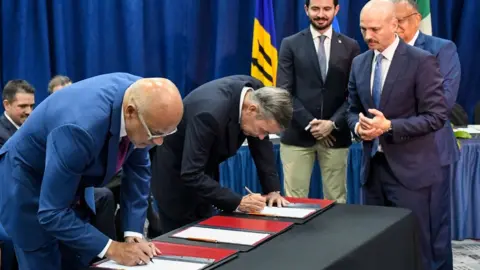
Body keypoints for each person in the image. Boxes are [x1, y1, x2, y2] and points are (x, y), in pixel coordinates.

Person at [0, 72, 183, 269]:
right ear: (130, 112)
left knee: (77, 259)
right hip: (27, 185)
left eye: (166, 133)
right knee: (44, 260)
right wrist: (114, 248)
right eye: (154, 134)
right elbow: (52, 212)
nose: (158, 142)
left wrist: (133, 234)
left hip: (73, 177)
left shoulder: (144, 100)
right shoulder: (80, 128)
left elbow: (138, 169)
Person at [346, 1, 447, 269]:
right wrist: (358, 127)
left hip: (412, 173)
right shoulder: (359, 63)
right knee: (380, 248)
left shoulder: (421, 61)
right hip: (373, 171)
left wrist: (389, 126)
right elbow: (352, 110)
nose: (368, 36)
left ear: (395, 25)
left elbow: (436, 117)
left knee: (416, 248)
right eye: (363, 28)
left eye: (375, 29)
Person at [150, 75, 293, 234]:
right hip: (176, 180)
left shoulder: (257, 93)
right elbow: (191, 173)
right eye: (263, 131)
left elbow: (261, 145)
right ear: (251, 109)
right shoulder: (209, 113)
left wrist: (272, 190)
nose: (261, 136)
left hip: (204, 172)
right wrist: (238, 201)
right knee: (186, 243)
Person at [392, 1, 461, 268]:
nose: (395, 27)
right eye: (391, 22)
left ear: (417, 18)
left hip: (431, 153)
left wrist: (395, 118)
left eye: (400, 21)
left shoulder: (441, 49)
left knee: (435, 230)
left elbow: (443, 103)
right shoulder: (382, 50)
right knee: (401, 229)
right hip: (392, 153)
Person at [277, 0, 360, 202]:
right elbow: (284, 92)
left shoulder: (351, 46)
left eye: (326, 9)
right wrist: (312, 125)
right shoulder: (290, 44)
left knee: (336, 200)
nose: (321, 14)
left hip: (336, 136)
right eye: (315, 9)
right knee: (294, 202)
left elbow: (355, 94)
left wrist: (331, 124)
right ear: (306, 10)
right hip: (297, 135)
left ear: (336, 10)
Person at [47, 74, 119, 242]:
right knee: (104, 194)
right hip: (62, 184)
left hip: (88, 179)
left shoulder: (91, 119)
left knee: (125, 179)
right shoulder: (52, 124)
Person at [0, 80, 35, 147]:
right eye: (23, 106)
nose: (29, 112)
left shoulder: (35, 129)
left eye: (31, 106)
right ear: (7, 105)